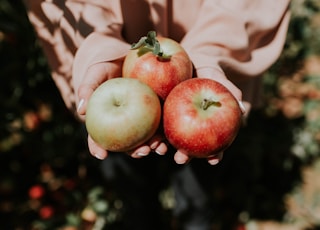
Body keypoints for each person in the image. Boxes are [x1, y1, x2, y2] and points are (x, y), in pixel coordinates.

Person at [23, 0, 291, 229]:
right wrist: (97, 42)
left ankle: (195, 217)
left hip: (207, 72)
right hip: (114, 80)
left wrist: (213, 49)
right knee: (132, 188)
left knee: (198, 190)